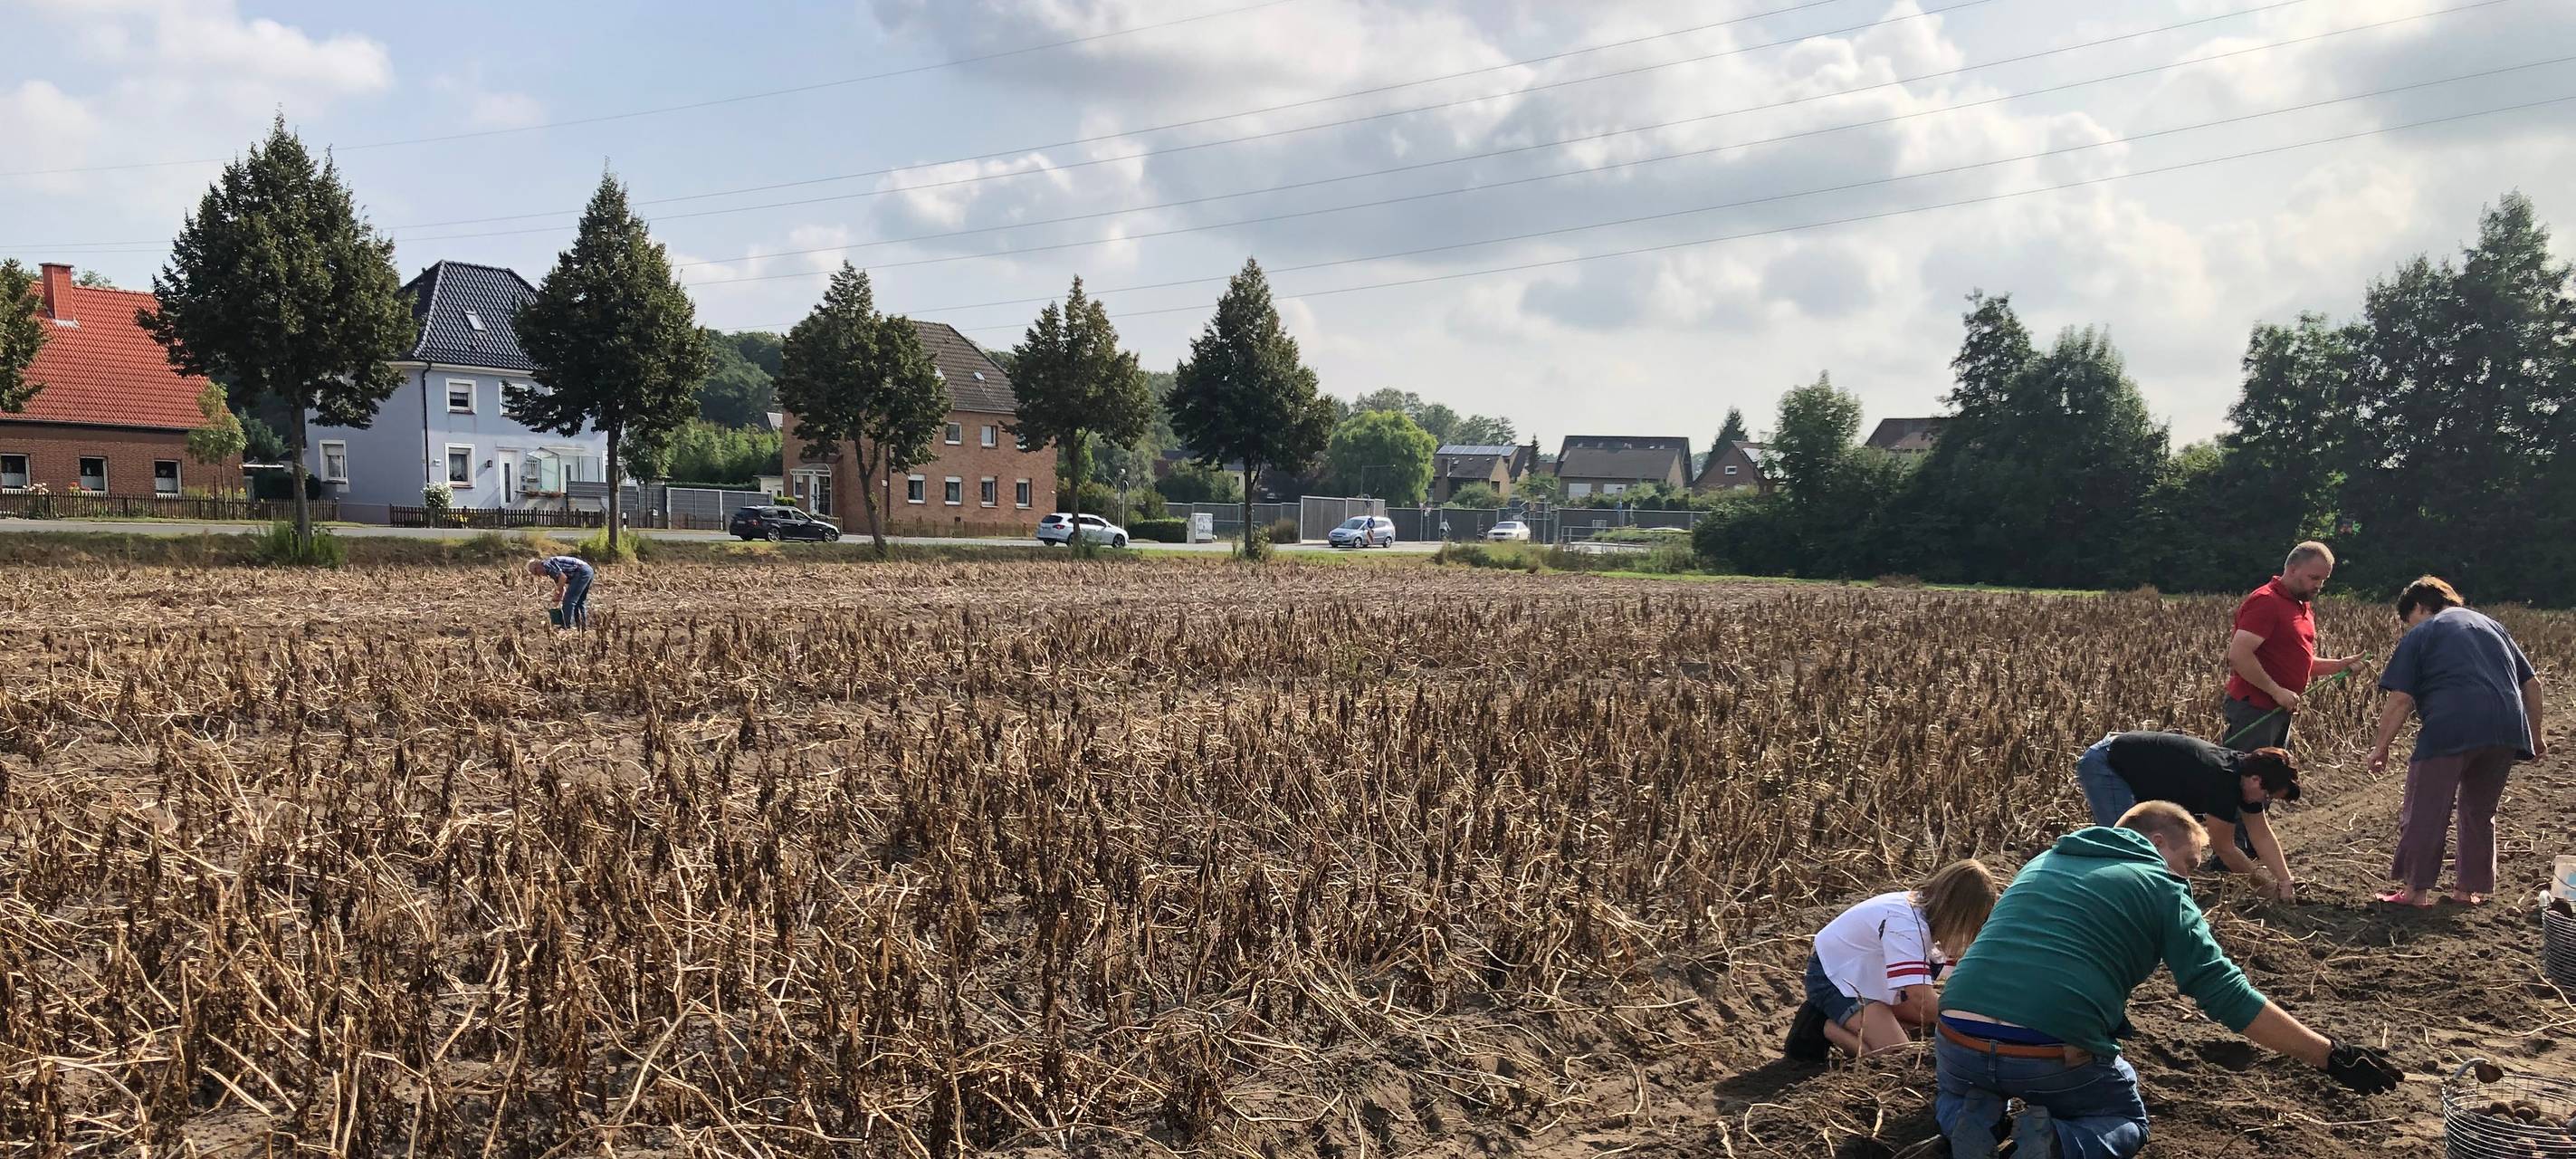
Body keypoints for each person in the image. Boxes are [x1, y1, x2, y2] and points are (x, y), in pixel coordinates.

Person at [1934, 802, 2400, 1158]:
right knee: (2122, 1118)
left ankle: (1967, 1116)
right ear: (2158, 842)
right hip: (2049, 1051)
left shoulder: (2041, 864)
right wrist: (2329, 1055)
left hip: (1955, 1032)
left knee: (1961, 1088)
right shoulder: (2161, 885)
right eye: (2190, 864)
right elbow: (2224, 992)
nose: (2188, 879)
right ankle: (2056, 1143)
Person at [2367, 576, 2548, 907]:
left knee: (2426, 809)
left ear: (2420, 607)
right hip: (2507, 728)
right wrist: (2535, 735)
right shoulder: (2493, 627)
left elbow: (2401, 698)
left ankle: (2415, 892)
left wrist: (2381, 747)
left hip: (2451, 725)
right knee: (2479, 810)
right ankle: (2467, 891)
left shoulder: (2424, 631)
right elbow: (2532, 685)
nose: (2410, 626)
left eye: (2409, 620)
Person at [1784, 860, 1998, 1062]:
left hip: (1868, 978)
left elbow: (1961, 970)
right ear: (1959, 914)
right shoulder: (1906, 925)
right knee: (1897, 1054)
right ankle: (1824, 1024)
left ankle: (1864, 1022)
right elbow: (1921, 999)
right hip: (1835, 980)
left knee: (1933, 1018)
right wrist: (1967, 1028)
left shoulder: (1931, 915)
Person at [2072, 731, 2303, 899]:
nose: (2265, 802)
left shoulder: (2245, 777)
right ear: (2256, 780)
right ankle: (2095, 895)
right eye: (2268, 796)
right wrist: (2266, 887)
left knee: (2142, 849)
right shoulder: (2223, 782)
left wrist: (2285, 880)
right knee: (2125, 845)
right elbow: (2225, 849)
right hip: (2107, 763)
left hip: (2134, 766)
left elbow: (2261, 834)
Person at [2223, 541, 2368, 752]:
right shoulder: (2266, 601)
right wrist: (2276, 691)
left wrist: (2339, 665)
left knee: (2272, 771)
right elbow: (2239, 655)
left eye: (2323, 580)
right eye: (2314, 578)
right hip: (2255, 709)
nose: (2319, 585)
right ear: (2292, 570)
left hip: (2280, 708)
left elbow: (2296, 662)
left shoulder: (2300, 605)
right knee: (2246, 770)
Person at [528, 554, 593, 628]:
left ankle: (568, 626)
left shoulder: (547, 565)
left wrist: (557, 591)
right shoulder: (550, 570)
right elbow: (562, 587)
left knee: (569, 601)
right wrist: (557, 601)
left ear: (537, 566)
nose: (539, 575)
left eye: (536, 573)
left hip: (581, 571)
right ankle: (581, 626)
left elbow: (563, 577)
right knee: (579, 601)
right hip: (588, 570)